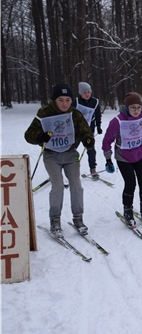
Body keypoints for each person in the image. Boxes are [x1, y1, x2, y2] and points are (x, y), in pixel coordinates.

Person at [24, 84, 95, 236]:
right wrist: (39, 137)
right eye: (61, 100)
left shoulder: (75, 114)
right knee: (58, 185)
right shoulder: (44, 112)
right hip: (51, 154)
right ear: (54, 100)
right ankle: (55, 220)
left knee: (76, 185)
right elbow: (29, 134)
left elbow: (85, 131)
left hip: (70, 153)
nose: (64, 103)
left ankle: (78, 218)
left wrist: (88, 140)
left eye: (68, 100)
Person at [102, 92, 142, 225]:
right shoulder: (117, 121)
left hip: (141, 155)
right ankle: (128, 209)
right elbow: (106, 141)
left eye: (138, 107)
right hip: (124, 158)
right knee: (130, 184)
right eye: (132, 107)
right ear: (126, 107)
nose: (136, 110)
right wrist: (108, 159)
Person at [75, 82, 102, 178]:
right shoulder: (76, 101)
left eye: (88, 92)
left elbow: (98, 114)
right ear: (80, 93)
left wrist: (98, 126)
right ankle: (71, 168)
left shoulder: (95, 102)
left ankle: (93, 168)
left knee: (91, 149)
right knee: (73, 149)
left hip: (89, 129)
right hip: (77, 130)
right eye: (84, 92)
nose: (87, 94)